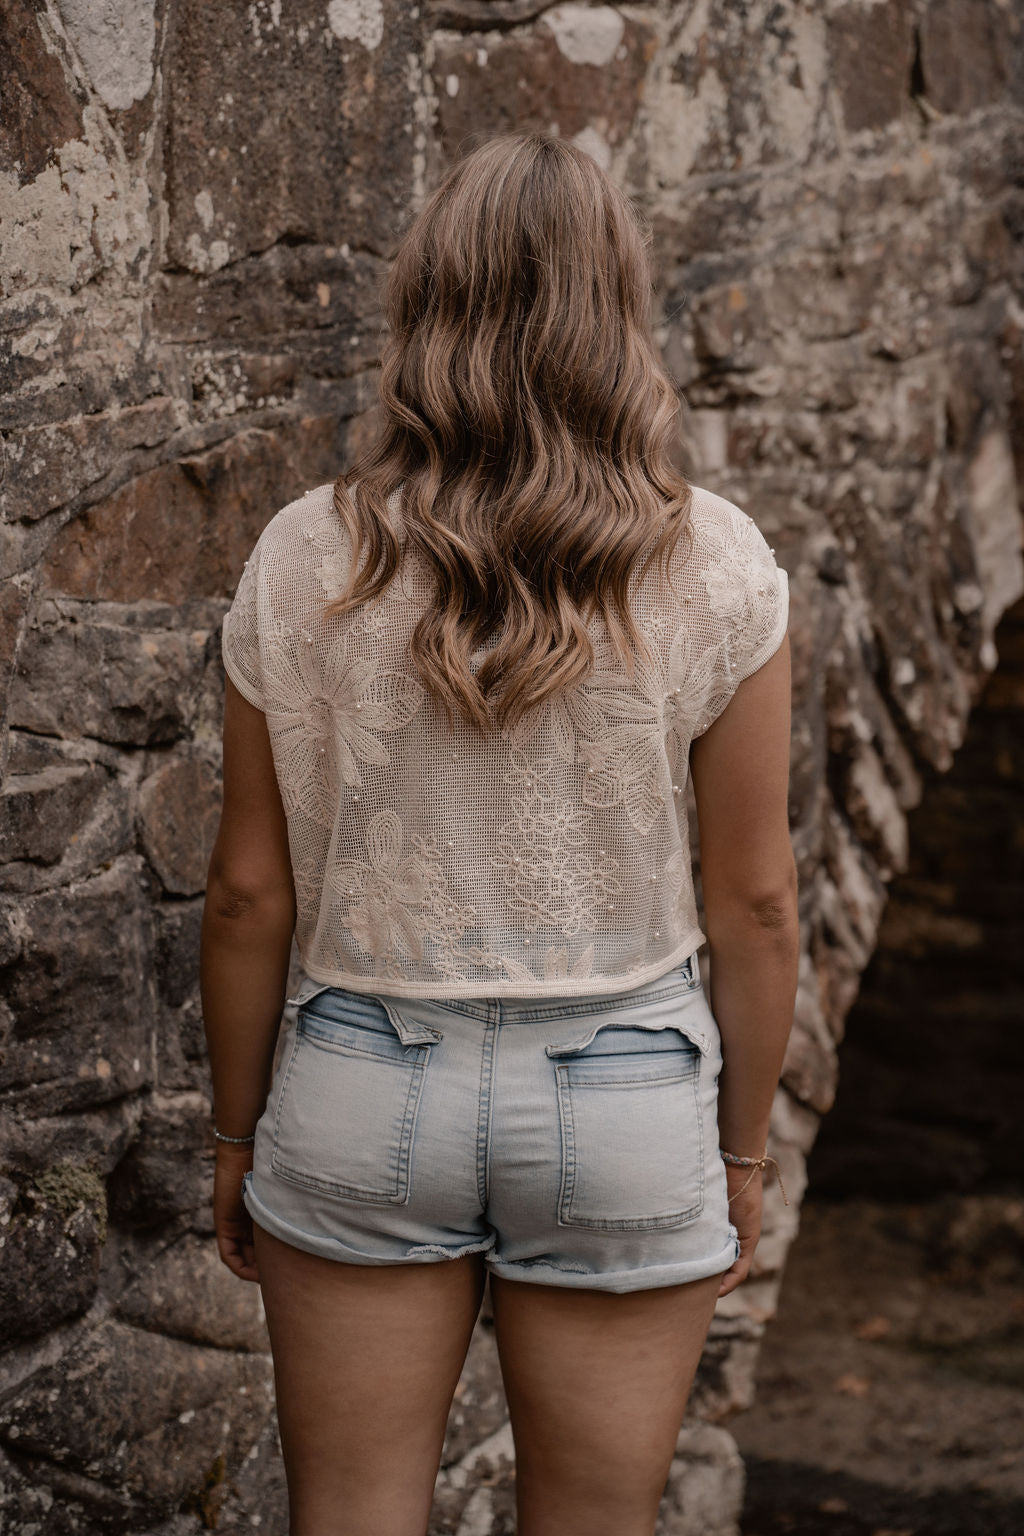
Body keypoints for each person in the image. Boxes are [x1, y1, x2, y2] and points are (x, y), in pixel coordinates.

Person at [200, 130, 799, 1536]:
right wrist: (746, 1152)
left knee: (350, 1516)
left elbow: (243, 895)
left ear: (428, 300)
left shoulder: (303, 553)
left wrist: (236, 1134)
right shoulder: (716, 563)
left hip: (360, 1078)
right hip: (626, 1091)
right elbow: (758, 902)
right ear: (619, 307)